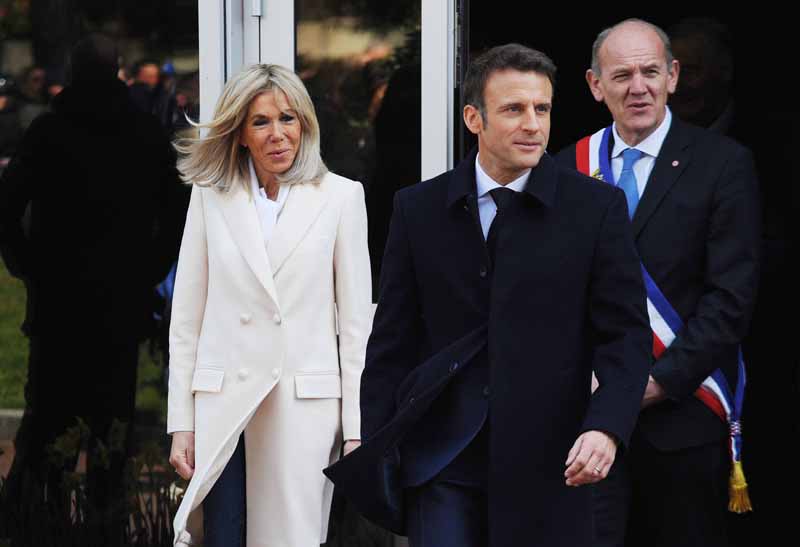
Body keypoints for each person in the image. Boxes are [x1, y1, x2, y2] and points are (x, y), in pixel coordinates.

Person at [325, 43, 651, 547]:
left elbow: (626, 337)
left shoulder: (595, 208)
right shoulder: (417, 209)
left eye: (542, 109)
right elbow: (391, 340)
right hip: (440, 462)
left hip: (552, 463)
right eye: (514, 109)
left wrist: (606, 426)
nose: (533, 125)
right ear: (473, 118)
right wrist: (378, 444)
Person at [555, 18, 760, 547]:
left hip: (682, 419)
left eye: (650, 72)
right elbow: (548, 294)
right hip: (587, 423)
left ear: (672, 76)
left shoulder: (723, 164)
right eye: (621, 75)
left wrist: (655, 384)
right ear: (595, 85)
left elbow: (730, 299)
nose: (638, 88)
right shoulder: (566, 168)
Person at [167, 63, 371, 547]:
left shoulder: (341, 197)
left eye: (288, 118)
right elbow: (187, 319)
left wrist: (357, 428)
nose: (278, 134)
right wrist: (181, 423)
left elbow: (355, 326)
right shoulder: (210, 197)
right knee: (223, 536)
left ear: (305, 124)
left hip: (301, 407)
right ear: (239, 133)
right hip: (223, 405)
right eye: (261, 122)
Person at [0, 34, 186, 543]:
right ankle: (105, 526)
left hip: (59, 304)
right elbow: (175, 215)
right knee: (111, 430)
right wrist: (146, 272)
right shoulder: (143, 133)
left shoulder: (49, 132)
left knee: (47, 424)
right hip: (118, 305)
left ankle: (37, 523)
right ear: (118, 71)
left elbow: (7, 209)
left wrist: (30, 268)